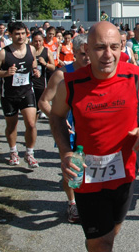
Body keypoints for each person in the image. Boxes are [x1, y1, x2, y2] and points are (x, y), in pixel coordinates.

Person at [48, 22, 139, 251]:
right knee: (101, 243)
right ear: (87, 51)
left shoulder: (134, 76)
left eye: (114, 47)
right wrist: (66, 152)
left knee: (111, 234)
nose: (108, 54)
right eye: (100, 47)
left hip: (124, 171)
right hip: (87, 175)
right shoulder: (71, 83)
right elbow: (56, 116)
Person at [39, 34, 89, 223]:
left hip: (88, 130)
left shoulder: (95, 72)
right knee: (71, 169)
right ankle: (72, 203)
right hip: (68, 131)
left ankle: (88, 200)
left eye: (89, 53)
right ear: (74, 53)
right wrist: (58, 118)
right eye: (83, 54)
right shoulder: (62, 74)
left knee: (88, 168)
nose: (88, 58)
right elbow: (43, 101)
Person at [0, 21, 42, 168]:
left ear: (26, 34)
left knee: (31, 124)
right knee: (12, 126)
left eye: (23, 33)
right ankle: (13, 152)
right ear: (10, 35)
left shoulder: (30, 49)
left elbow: (33, 63)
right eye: (17, 34)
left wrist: (36, 71)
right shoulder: (3, 53)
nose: (20, 36)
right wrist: (6, 73)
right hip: (10, 95)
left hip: (27, 92)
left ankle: (30, 153)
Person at [31, 31, 55, 120]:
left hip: (41, 81)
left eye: (40, 41)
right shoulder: (28, 50)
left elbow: (53, 67)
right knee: (32, 107)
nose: (38, 43)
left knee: (39, 103)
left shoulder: (47, 51)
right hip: (29, 82)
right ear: (32, 41)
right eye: (36, 41)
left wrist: (45, 64)